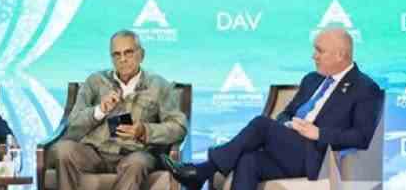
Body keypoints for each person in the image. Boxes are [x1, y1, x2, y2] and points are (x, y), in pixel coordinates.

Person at [164, 28, 382, 190]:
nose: (313, 56)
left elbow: (361, 137)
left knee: (261, 124)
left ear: (340, 55)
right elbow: (286, 113)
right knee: (248, 160)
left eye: (319, 51)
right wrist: (287, 125)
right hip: (288, 146)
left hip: (316, 156)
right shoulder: (311, 80)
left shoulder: (365, 88)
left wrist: (318, 133)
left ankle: (202, 171)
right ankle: (202, 172)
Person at [56, 30, 187, 190]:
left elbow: (178, 127)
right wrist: (99, 111)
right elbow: (72, 127)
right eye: (116, 54)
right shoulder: (95, 82)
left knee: (137, 162)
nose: (122, 59)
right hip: (95, 152)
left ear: (141, 55)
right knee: (64, 150)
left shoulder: (159, 85)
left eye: (128, 52)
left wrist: (144, 131)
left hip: (134, 153)